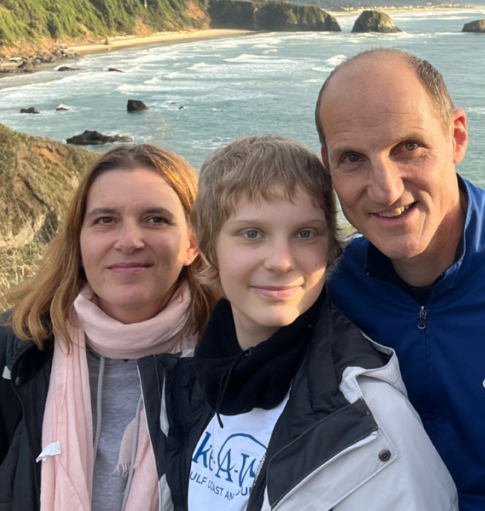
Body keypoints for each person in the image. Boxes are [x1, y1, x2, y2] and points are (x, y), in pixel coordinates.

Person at [140, 135, 457, 511]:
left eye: (305, 234)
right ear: (208, 250)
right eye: (252, 234)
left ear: (330, 249)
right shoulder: (188, 381)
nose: (281, 261)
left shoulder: (371, 423)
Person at [314, 48, 485, 511]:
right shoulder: (327, 286)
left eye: (409, 147)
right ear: (328, 166)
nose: (386, 189)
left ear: (457, 137)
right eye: (353, 158)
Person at [0, 145, 215, 511]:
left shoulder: (233, 361)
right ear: (79, 241)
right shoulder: (15, 350)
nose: (129, 242)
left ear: (192, 243)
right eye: (105, 220)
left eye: (156, 219)